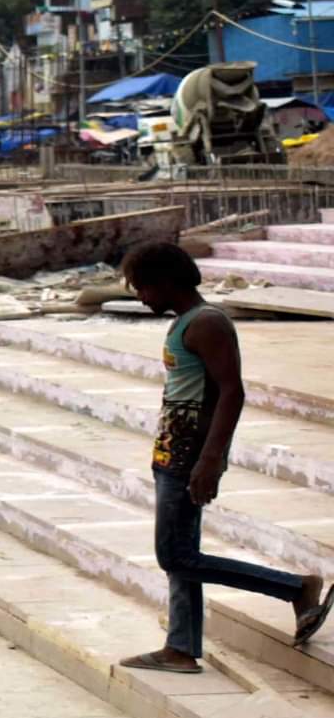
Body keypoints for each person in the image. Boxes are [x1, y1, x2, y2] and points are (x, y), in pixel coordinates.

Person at [117, 241, 330, 673]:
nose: (140, 296)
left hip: (190, 457)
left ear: (167, 282)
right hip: (171, 453)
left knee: (175, 557)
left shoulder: (207, 323)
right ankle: (180, 648)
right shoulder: (184, 323)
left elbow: (231, 393)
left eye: (143, 287)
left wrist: (209, 460)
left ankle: (295, 587)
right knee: (182, 553)